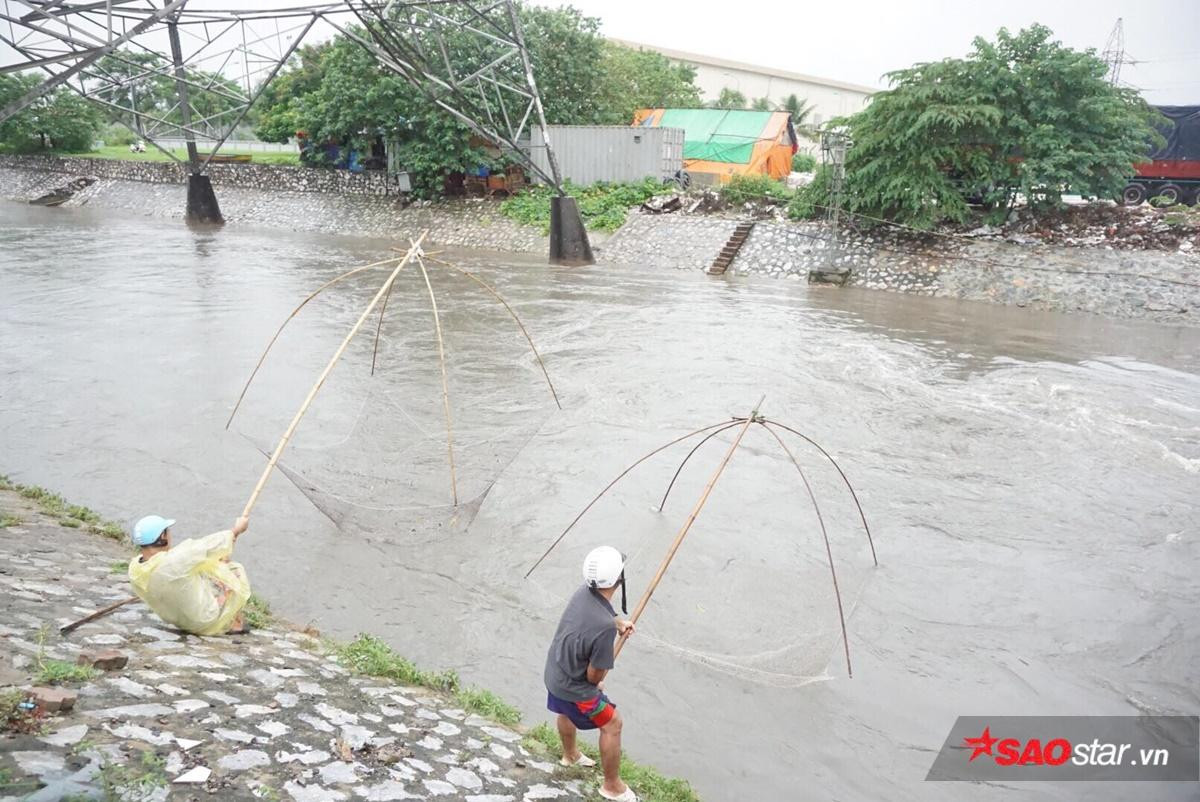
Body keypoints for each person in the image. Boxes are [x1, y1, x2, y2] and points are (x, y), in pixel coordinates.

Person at [544, 546, 637, 802]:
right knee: (612, 724)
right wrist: (595, 683)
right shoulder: (603, 629)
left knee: (564, 710)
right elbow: (594, 677)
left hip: (554, 673)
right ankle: (612, 786)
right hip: (574, 690)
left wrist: (617, 621)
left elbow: (597, 614)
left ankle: (570, 754)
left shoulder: (583, 592)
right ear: (619, 580)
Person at [127, 514, 251, 636]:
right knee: (234, 570)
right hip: (205, 620)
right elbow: (207, 546)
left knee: (207, 567)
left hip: (180, 621)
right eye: (167, 531)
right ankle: (235, 623)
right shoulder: (173, 562)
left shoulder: (135, 569)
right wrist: (237, 529)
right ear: (162, 537)